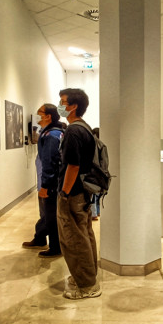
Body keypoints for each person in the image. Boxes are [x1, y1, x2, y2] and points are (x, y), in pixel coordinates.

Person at [56, 88, 100, 299]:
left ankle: (87, 285)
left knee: (74, 239)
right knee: (85, 234)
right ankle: (88, 276)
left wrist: (64, 193)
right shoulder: (85, 128)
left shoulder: (74, 131)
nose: (60, 105)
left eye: (63, 102)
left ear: (73, 106)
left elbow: (72, 166)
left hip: (73, 193)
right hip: (83, 192)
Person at [22, 104, 64, 258]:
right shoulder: (52, 133)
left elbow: (49, 162)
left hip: (50, 184)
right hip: (50, 182)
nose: (37, 117)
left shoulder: (51, 136)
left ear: (48, 116)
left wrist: (45, 185)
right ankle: (40, 238)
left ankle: (55, 248)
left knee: (50, 216)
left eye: (39, 114)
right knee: (47, 215)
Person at [90, 127, 102, 221]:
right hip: (100, 173)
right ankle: (97, 212)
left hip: (93, 172)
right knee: (98, 194)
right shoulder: (101, 145)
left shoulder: (92, 144)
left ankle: (94, 213)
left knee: (93, 195)